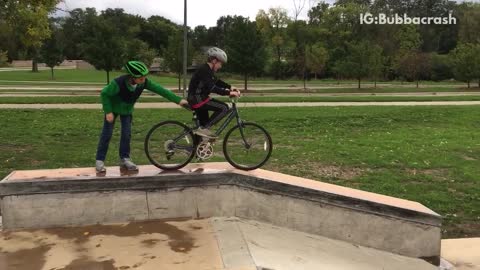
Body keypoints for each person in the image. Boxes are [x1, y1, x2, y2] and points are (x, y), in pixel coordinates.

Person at [95, 60, 188, 173]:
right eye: (140, 78)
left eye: (144, 77)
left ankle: (125, 159)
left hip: (127, 111)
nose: (143, 80)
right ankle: (99, 160)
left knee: (126, 134)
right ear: (132, 77)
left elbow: (161, 90)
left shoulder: (143, 82)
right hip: (112, 109)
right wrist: (108, 111)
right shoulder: (118, 83)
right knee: (107, 134)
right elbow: (105, 93)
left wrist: (178, 100)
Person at [187, 47, 240, 138]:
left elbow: (217, 81)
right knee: (224, 108)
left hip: (198, 99)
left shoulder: (208, 70)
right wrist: (229, 93)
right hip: (198, 99)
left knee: (202, 130)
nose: (221, 66)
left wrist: (230, 87)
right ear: (214, 61)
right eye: (220, 63)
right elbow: (212, 88)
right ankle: (204, 129)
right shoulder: (204, 70)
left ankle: (196, 147)